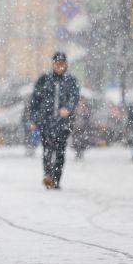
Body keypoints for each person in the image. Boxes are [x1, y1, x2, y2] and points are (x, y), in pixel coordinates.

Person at [29, 52, 80, 190]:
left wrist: (68, 109)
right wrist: (34, 120)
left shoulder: (71, 81)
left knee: (59, 151)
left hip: (64, 123)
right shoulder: (44, 80)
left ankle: (56, 179)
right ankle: (48, 175)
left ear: (66, 65)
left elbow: (74, 97)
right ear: (53, 64)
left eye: (62, 64)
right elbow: (34, 101)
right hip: (46, 122)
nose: (59, 67)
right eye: (57, 64)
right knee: (47, 150)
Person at [71, 95, 92, 160]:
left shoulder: (86, 106)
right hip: (76, 126)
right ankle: (77, 152)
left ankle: (81, 152)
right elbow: (72, 115)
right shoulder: (75, 106)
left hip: (83, 127)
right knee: (76, 140)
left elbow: (88, 116)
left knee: (82, 140)